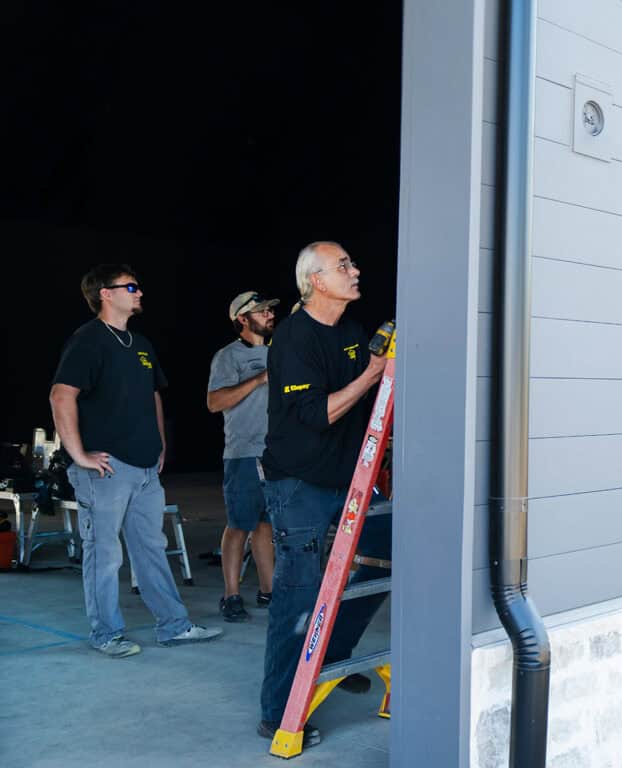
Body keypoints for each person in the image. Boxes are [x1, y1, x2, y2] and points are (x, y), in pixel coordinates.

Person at [49, 264, 223, 658]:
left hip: (145, 468)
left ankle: (174, 626)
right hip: (107, 470)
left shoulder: (140, 344)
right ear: (105, 294)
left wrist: (159, 444)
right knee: (105, 554)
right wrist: (78, 455)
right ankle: (107, 633)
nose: (139, 292)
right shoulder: (88, 341)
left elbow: (153, 395)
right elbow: (61, 395)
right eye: (131, 286)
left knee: (151, 549)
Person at [257, 242, 391, 747]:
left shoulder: (354, 333)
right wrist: (373, 373)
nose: (355, 271)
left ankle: (330, 660)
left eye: (353, 263)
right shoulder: (293, 339)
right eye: (344, 266)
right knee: (298, 594)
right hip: (299, 484)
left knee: (389, 554)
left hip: (352, 480)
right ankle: (277, 710)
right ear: (317, 280)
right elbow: (318, 414)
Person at [207, 291, 280, 622]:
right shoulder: (228, 357)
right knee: (239, 524)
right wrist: (259, 379)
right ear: (242, 319)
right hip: (244, 453)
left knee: (265, 526)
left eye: (269, 310)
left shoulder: (281, 353)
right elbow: (215, 402)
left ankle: (269, 591)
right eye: (261, 311)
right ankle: (231, 595)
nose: (269, 315)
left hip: (277, 454)